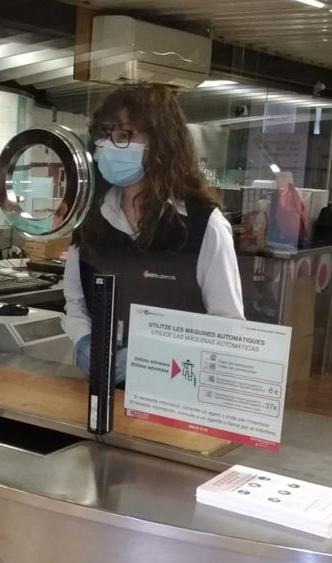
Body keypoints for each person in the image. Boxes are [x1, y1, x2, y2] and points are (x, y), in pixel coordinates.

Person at [62, 84, 244, 385]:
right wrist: (83, 343)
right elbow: (76, 301)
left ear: (161, 143)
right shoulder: (91, 217)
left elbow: (228, 329)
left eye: (124, 135)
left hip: (176, 398)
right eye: (104, 136)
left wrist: (153, 363)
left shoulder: (203, 225)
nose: (108, 146)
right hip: (102, 394)